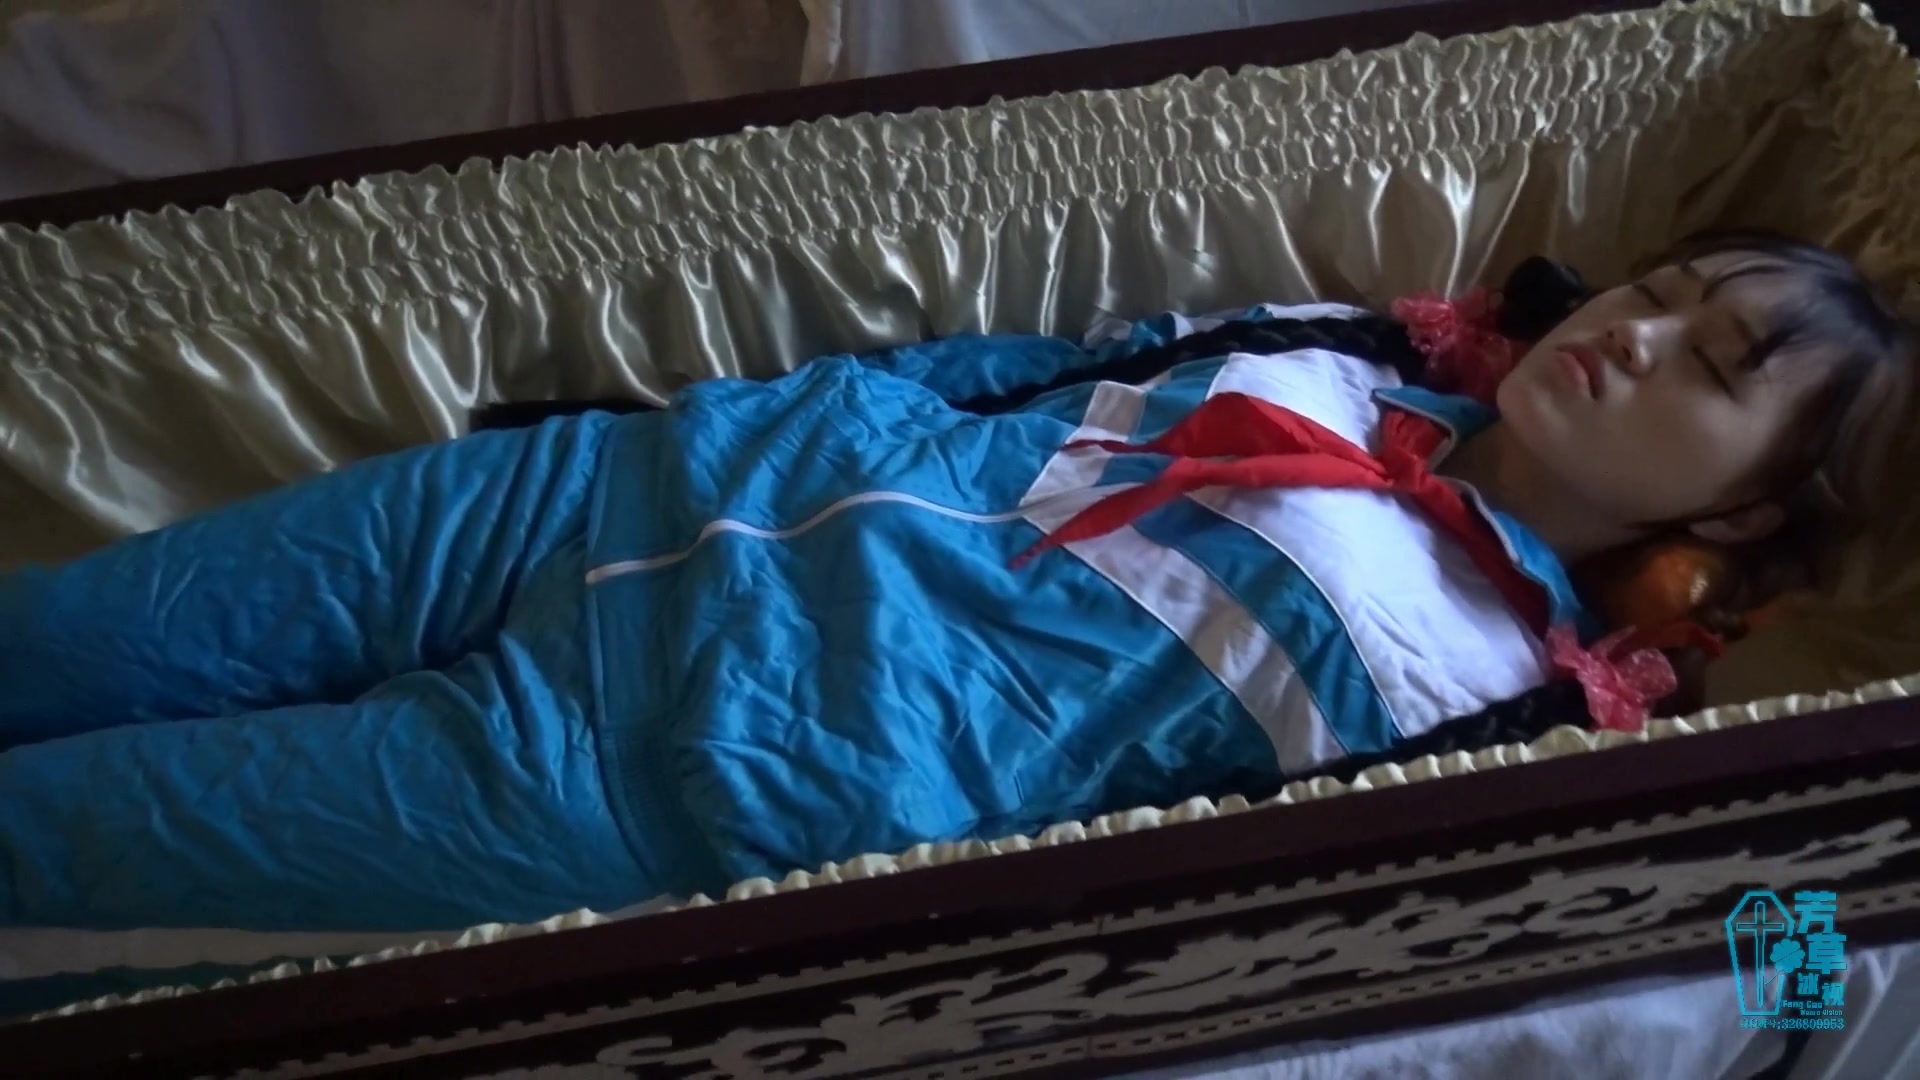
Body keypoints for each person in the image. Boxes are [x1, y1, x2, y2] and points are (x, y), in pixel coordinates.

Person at [0, 229, 1909, 1006]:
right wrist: (673, 427)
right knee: (57, 638)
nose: (1635, 332)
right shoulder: (1347, 353)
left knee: (47, 849)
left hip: (634, 780)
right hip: (598, 501)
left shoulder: (1487, 705)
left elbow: (1133, 904)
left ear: (1744, 510)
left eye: (1712, 362)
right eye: (1662, 290)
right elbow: (1003, 372)